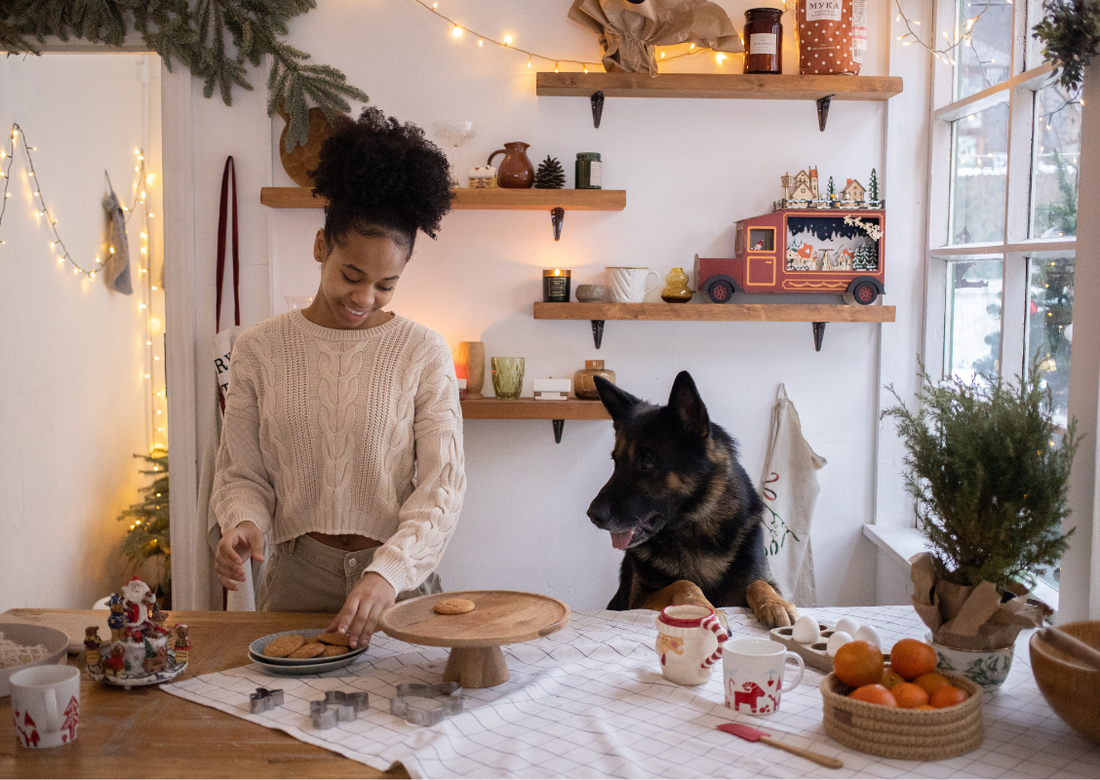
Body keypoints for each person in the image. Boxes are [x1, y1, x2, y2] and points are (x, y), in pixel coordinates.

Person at [212, 107, 465, 649]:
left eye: (385, 285)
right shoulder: (258, 349)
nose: (364, 298)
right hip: (297, 581)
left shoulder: (422, 351)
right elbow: (242, 473)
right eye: (352, 275)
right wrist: (244, 524)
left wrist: (389, 571)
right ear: (321, 246)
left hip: (396, 582)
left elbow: (441, 486)